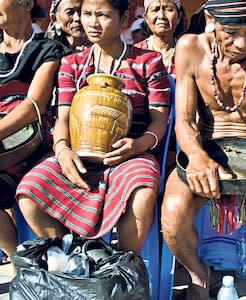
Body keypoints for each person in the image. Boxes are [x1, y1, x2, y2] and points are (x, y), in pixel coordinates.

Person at [161, 0, 246, 299]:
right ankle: (199, 275)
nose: (242, 42)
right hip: (204, 144)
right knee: (172, 214)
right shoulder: (190, 47)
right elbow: (183, 121)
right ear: (210, 18)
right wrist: (196, 156)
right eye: (231, 31)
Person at [16, 0, 171, 256]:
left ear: (123, 20)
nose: (92, 22)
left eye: (102, 15)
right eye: (87, 14)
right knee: (30, 190)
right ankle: (75, 260)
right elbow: (62, 118)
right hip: (77, 153)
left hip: (130, 154)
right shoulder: (72, 63)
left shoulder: (148, 62)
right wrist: (63, 150)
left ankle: (122, 266)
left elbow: (159, 120)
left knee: (142, 186)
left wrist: (138, 145)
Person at [0, 0, 68, 260]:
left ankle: (26, 258)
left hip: (28, 142)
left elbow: (33, 106)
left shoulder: (48, 50)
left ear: (26, 3)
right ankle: (19, 256)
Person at [136, 0, 186, 76]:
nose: (161, 16)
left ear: (179, 17)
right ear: (146, 18)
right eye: (155, 10)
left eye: (169, 10)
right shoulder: (135, 54)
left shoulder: (187, 53)